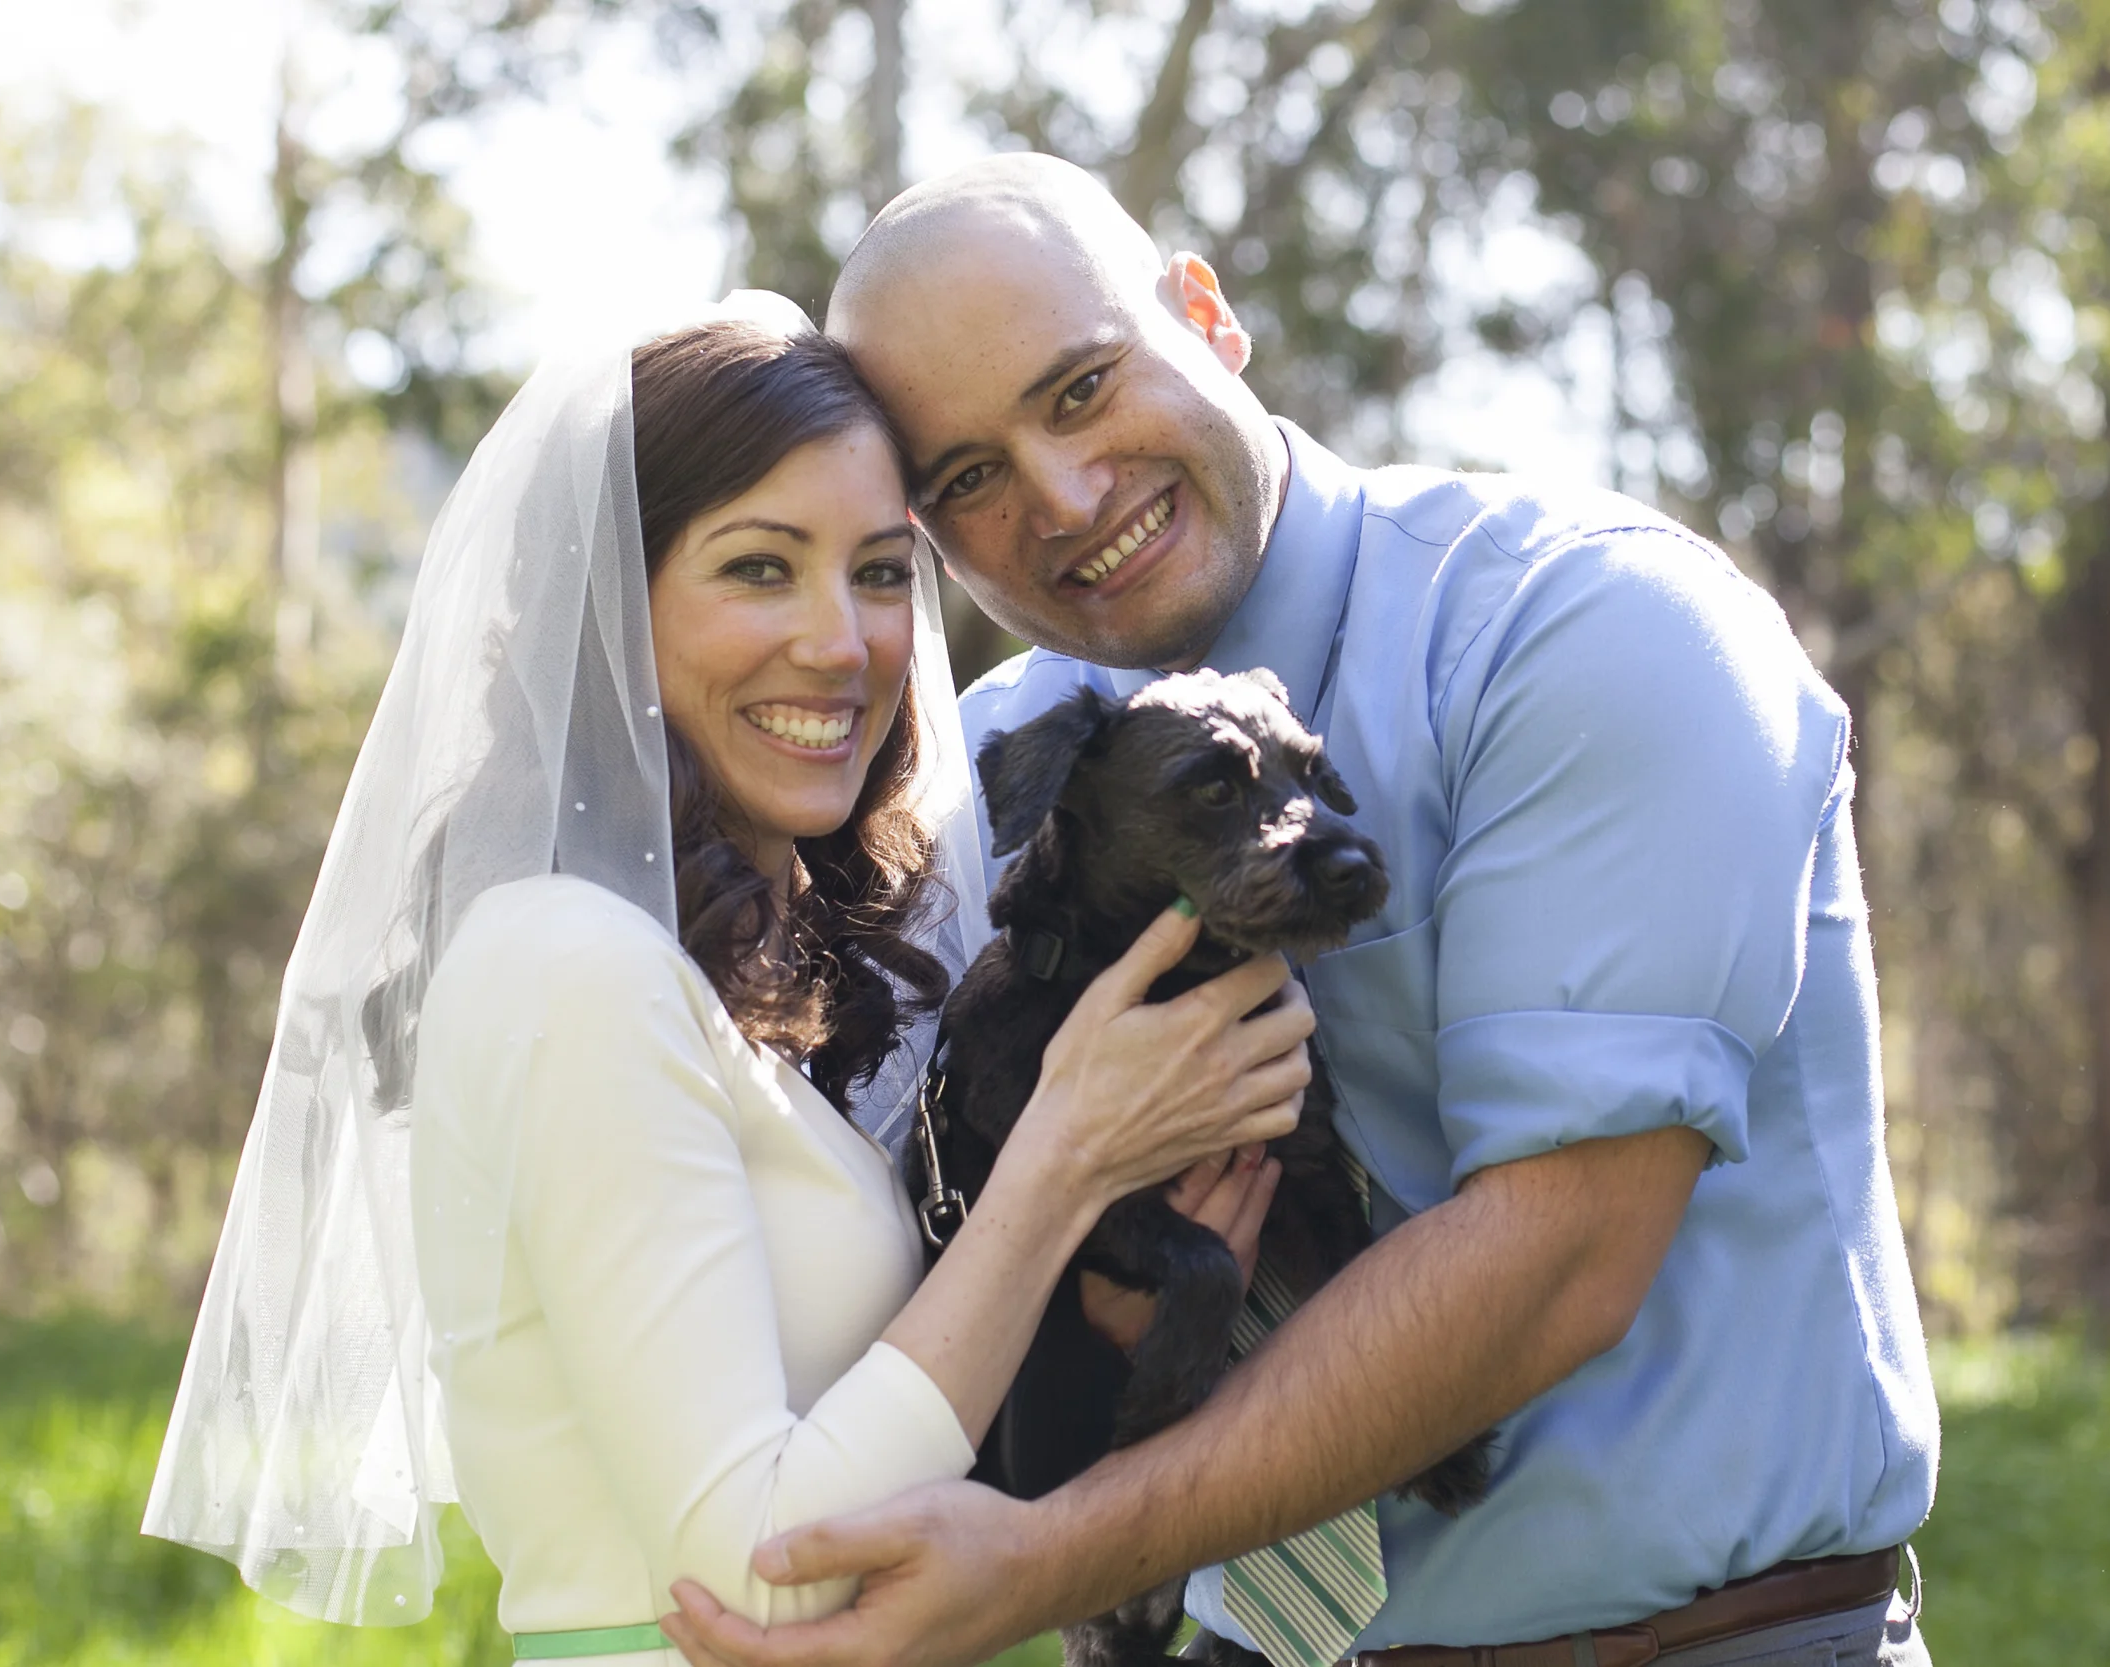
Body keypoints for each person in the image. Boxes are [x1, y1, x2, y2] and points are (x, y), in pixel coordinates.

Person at [658, 158, 1938, 1667]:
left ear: (1206, 314)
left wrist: (1052, 1561)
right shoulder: (988, 789)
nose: (1065, 499)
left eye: (1081, 390)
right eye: (969, 478)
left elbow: (1561, 1257)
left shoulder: (1587, 634)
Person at [141, 297, 1311, 1661]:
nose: (842, 640)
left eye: (881, 573)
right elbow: (758, 1579)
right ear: (608, 609)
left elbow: (884, 1463)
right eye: (760, 568)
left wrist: (1105, 1318)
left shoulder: (717, 982)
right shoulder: (568, 966)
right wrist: (1061, 1164)